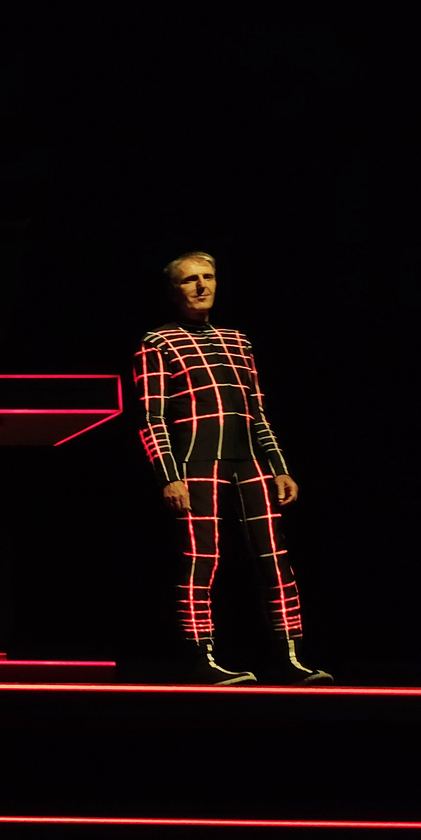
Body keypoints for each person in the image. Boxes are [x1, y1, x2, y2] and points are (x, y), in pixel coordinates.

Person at [137, 251, 331, 684]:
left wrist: (280, 467)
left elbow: (257, 413)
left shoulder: (238, 341)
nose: (201, 285)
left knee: (274, 558)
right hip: (197, 463)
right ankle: (199, 658)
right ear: (173, 290)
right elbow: (152, 418)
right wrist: (169, 476)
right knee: (201, 558)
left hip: (250, 462)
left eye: (208, 276)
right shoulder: (158, 343)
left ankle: (290, 657)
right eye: (190, 279)